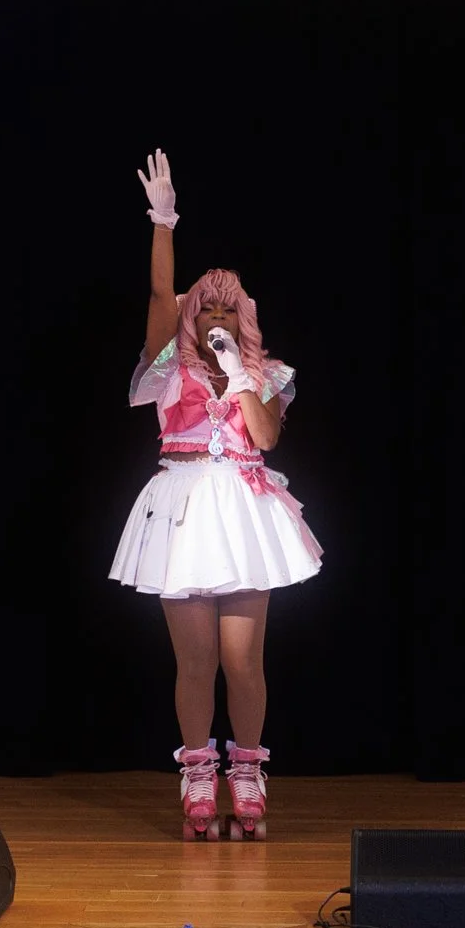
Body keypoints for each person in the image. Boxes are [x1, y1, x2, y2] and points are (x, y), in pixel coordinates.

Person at [108, 149, 323, 840]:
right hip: (182, 510)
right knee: (195, 660)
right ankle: (198, 771)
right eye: (208, 306)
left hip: (241, 509)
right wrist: (163, 223)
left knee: (242, 659)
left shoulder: (262, 371)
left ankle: (249, 773)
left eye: (230, 306)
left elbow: (265, 435)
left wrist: (240, 373)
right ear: (192, 313)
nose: (217, 314)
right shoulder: (168, 368)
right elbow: (156, 300)